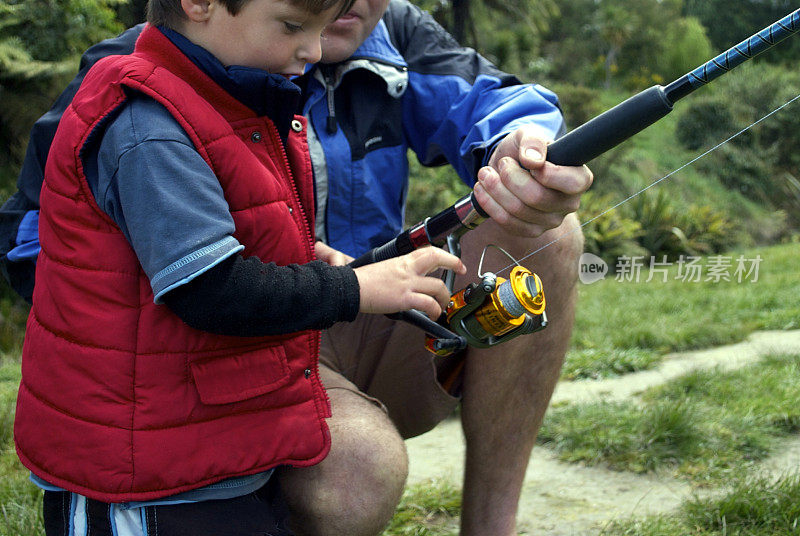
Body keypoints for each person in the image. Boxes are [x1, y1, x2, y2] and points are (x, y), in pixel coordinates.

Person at [3, 0, 594, 534]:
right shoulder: (147, 86)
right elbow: (45, 243)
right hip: (220, 344)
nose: (310, 50)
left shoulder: (396, 35)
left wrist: (525, 150)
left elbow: (501, 100)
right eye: (294, 26)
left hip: (352, 303)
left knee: (552, 234)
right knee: (358, 473)